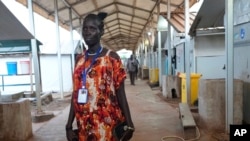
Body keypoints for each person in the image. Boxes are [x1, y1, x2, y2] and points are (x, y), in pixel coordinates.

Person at [66, 12, 134, 141]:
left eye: (92, 28)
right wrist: (69, 126)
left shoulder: (112, 58)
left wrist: (129, 123)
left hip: (108, 126)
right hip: (84, 126)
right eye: (85, 28)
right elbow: (76, 95)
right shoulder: (79, 60)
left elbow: (121, 94)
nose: (87, 32)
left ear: (101, 32)